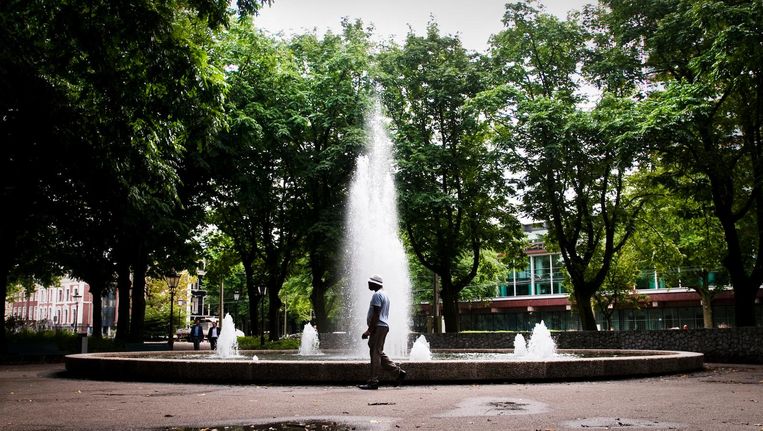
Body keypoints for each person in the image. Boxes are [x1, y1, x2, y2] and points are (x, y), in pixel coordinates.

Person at [358, 274, 406, 390]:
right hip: (382, 326)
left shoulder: (377, 295)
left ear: (376, 283)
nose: (368, 284)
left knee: (375, 353)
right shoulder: (385, 294)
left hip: (378, 326)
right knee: (377, 351)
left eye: (370, 282)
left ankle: (373, 382)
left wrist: (369, 331)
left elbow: (376, 314)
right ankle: (398, 373)